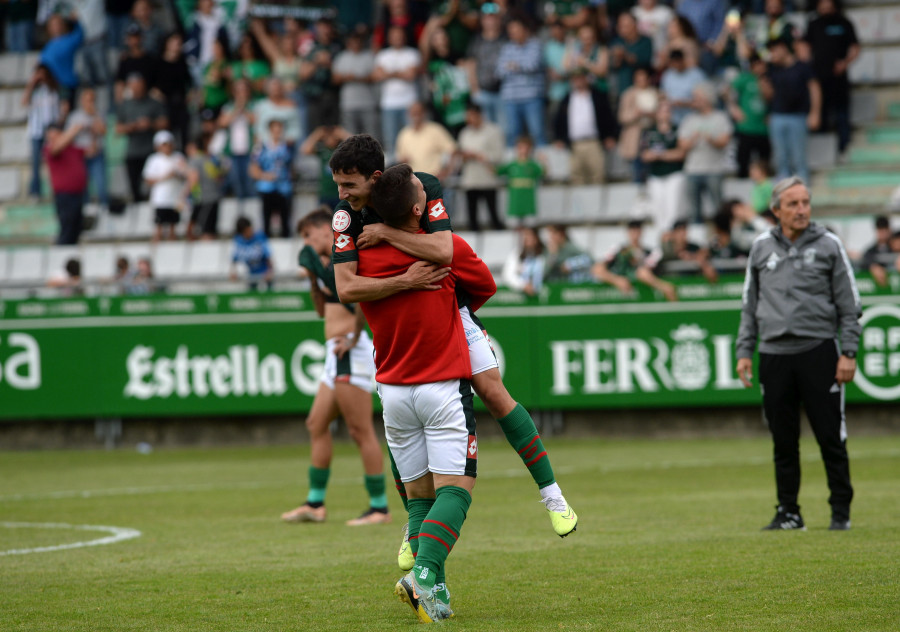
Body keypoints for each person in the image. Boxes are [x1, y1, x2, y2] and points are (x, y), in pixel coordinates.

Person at [328, 134, 578, 567]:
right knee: (399, 414)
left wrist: (386, 233)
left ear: (375, 177)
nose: (341, 195)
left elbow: (444, 251)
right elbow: (345, 287)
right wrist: (405, 279)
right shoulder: (344, 219)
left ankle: (552, 496)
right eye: (337, 185)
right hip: (402, 314)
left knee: (494, 393)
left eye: (349, 186)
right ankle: (414, 525)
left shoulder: (422, 187)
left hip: (449, 309)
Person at [363, 164, 497, 623]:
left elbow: (346, 287)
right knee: (458, 489)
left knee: (419, 495)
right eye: (424, 190)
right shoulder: (443, 253)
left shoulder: (365, 260)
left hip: (393, 393)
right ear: (419, 209)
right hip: (441, 387)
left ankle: (433, 593)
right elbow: (482, 285)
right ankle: (422, 572)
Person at [736, 176, 860, 531]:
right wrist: (745, 350)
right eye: (793, 204)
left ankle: (841, 512)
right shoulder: (760, 247)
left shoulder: (829, 245)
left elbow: (850, 306)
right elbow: (749, 305)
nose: (802, 209)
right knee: (783, 441)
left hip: (819, 351)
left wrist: (848, 351)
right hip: (774, 355)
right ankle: (789, 513)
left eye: (805, 202)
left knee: (831, 438)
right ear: (776, 210)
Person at [281, 208, 391, 527]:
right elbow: (321, 310)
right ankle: (315, 504)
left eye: (307, 235)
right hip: (334, 352)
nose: (305, 242)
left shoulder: (346, 258)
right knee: (316, 423)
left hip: (349, 348)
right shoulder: (325, 267)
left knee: (360, 430)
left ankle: (379, 507)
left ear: (321, 229)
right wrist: (314, 280)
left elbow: (361, 301)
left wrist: (355, 336)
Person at [805, 0, 859, 158]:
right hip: (819, 79)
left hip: (839, 79)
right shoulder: (814, 23)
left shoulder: (844, 23)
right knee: (822, 116)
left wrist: (845, 63)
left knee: (842, 115)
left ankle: (844, 148)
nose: (825, 6)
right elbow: (805, 47)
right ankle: (823, 153)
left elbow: (855, 48)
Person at [763, 38, 820, 184]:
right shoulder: (772, 70)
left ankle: (803, 190)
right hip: (777, 116)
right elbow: (768, 95)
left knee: (798, 156)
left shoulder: (802, 67)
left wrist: (815, 112)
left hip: (798, 116)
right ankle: (783, 190)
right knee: (780, 157)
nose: (773, 54)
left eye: (774, 50)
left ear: (783, 48)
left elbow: (814, 88)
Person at [678, 82, 733, 223]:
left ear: (707, 99)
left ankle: (720, 236)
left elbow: (724, 141)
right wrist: (693, 140)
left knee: (718, 209)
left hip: (714, 169)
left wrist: (711, 140)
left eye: (697, 98)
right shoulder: (689, 120)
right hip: (693, 170)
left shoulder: (720, 118)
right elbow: (682, 145)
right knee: (694, 210)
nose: (694, 101)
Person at [553, 68, 618, 186]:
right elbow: (559, 120)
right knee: (576, 177)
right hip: (574, 144)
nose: (578, 81)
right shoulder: (567, 99)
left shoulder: (598, 96)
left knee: (597, 175)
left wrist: (610, 136)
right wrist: (559, 138)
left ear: (586, 79)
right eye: (575, 79)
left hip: (593, 142)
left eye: (580, 78)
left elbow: (608, 117)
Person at [115, 74, 169, 203]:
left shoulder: (153, 103)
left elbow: (165, 122)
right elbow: (118, 129)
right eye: (134, 86)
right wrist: (132, 126)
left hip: (150, 149)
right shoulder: (125, 105)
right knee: (134, 185)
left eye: (139, 85)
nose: (137, 89)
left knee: (151, 184)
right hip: (133, 151)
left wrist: (150, 124)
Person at [593, 219, 677, 300]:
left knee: (643, 272)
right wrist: (617, 280)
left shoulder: (649, 253)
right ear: (628, 232)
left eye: (637, 229)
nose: (635, 233)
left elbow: (643, 273)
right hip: (617, 292)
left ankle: (664, 288)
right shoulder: (617, 249)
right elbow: (597, 269)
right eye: (632, 229)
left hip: (641, 293)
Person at [496, 15, 546, 147]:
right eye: (510, 31)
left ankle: (542, 165)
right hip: (511, 99)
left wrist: (514, 66)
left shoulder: (535, 45)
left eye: (516, 29)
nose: (513, 33)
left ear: (524, 30)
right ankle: (513, 164)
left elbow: (532, 65)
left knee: (537, 133)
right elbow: (500, 71)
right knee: (512, 134)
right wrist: (519, 66)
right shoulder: (507, 48)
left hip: (532, 98)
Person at [373, 26, 422, 154]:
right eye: (394, 36)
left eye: (400, 36)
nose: (397, 38)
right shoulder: (383, 55)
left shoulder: (412, 53)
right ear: (389, 38)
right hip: (389, 103)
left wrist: (389, 73)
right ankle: (393, 170)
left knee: (412, 138)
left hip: (409, 103)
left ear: (404, 37)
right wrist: (401, 72)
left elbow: (411, 75)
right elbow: (377, 75)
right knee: (391, 140)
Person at [456, 103, 506, 231]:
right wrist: (464, 157)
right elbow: (459, 156)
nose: (469, 119)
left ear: (479, 115)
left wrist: (479, 155)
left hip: (487, 179)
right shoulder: (464, 133)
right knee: (472, 217)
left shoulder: (493, 131)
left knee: (493, 215)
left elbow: (498, 155)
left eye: (472, 116)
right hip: (470, 179)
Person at [641, 100, 686, 230]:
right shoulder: (650, 132)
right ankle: (662, 238)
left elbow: (680, 153)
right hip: (655, 175)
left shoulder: (677, 130)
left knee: (673, 208)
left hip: (674, 174)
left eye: (667, 111)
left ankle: (671, 236)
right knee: (657, 209)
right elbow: (644, 155)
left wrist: (660, 155)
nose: (665, 114)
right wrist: (665, 154)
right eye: (662, 110)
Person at [43, 122, 87, 245]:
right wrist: (74, 130)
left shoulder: (72, 148)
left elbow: (91, 151)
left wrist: (93, 133)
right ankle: (61, 254)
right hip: (65, 195)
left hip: (78, 194)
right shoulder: (49, 149)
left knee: (76, 228)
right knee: (67, 227)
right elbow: (57, 147)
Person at [729, 52, 771, 178]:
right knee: (743, 158)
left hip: (763, 128)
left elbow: (771, 98)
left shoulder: (769, 79)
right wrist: (734, 108)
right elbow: (729, 92)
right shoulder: (745, 78)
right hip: (746, 126)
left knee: (764, 159)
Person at [249, 119, 293, 238]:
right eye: (275, 129)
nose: (277, 132)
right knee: (266, 217)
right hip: (267, 187)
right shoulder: (261, 147)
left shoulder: (287, 147)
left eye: (280, 129)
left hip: (283, 187)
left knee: (285, 217)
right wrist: (265, 176)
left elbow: (291, 167)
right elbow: (253, 168)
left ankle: (286, 238)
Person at [331, 28, 379, 136]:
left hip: (367, 104)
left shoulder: (369, 56)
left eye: (358, 41)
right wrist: (346, 77)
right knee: (350, 137)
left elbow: (375, 77)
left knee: (371, 136)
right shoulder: (342, 57)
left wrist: (357, 78)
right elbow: (335, 79)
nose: (355, 44)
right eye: (352, 42)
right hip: (348, 104)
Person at [23, 64, 61, 199]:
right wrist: (31, 83)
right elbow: (24, 102)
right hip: (35, 131)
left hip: (50, 132)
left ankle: (56, 189)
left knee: (54, 161)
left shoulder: (53, 90)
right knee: (35, 163)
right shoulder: (34, 91)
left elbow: (56, 113)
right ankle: (35, 192)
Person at [143, 130, 188, 242]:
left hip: (175, 197)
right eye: (164, 144)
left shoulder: (178, 157)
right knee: (159, 226)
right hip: (160, 198)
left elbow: (186, 174)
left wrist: (176, 175)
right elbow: (148, 179)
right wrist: (165, 177)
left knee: (173, 226)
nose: (167, 147)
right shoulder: (153, 159)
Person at [67, 88, 108, 209]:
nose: (89, 103)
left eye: (92, 100)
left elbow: (103, 131)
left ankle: (104, 211)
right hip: (81, 156)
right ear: (82, 101)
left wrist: (94, 115)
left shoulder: (99, 114)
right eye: (87, 100)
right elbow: (68, 136)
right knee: (83, 188)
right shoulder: (75, 116)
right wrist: (80, 129)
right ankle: (85, 212)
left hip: (97, 154)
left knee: (101, 186)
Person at [394, 102, 458, 179]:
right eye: (413, 113)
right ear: (409, 114)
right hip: (414, 182)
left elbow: (453, 151)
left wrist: (446, 172)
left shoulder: (435, 130)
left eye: (418, 112)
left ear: (424, 113)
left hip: (433, 179)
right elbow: (400, 159)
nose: (416, 115)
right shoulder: (404, 134)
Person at [618, 66, 659, 183]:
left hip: (652, 132)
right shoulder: (628, 94)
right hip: (635, 135)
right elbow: (622, 117)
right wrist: (635, 114)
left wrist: (650, 114)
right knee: (636, 167)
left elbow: (662, 114)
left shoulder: (656, 93)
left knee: (652, 164)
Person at [218, 79, 255, 201]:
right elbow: (222, 123)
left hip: (249, 151)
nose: (241, 93)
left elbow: (254, 121)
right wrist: (236, 109)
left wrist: (244, 109)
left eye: (244, 90)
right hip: (233, 152)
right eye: (238, 91)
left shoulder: (253, 105)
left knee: (250, 182)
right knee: (236, 182)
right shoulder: (228, 107)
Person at [300, 125, 352, 209]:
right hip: (325, 193)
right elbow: (304, 149)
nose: (329, 138)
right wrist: (317, 134)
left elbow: (357, 146)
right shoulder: (322, 150)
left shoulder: (342, 151)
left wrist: (342, 133)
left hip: (339, 194)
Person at [496, 135, 543, 225]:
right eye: (521, 147)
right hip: (514, 206)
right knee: (514, 230)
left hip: (529, 206)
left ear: (530, 149)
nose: (523, 150)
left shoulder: (533, 165)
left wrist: (544, 161)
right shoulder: (512, 164)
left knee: (530, 229)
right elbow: (496, 171)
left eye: (526, 148)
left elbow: (544, 172)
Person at [185, 132, 224, 240]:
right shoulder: (210, 159)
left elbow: (193, 179)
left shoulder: (195, 160)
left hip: (204, 199)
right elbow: (218, 178)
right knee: (211, 230)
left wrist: (184, 196)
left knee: (204, 231)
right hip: (214, 197)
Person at [230, 216, 274, 291]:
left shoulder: (260, 237)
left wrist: (270, 271)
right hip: (251, 274)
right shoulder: (239, 241)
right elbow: (235, 258)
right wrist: (233, 271)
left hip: (265, 273)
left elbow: (268, 256)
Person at [501, 226, 546, 296]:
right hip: (521, 296)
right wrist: (523, 285)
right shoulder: (517, 253)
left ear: (536, 238)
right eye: (525, 235)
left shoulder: (544, 253)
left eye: (530, 235)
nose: (527, 238)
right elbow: (508, 274)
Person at [860, 215, 899, 288]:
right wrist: (873, 267)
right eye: (880, 230)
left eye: (884, 229)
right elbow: (864, 260)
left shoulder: (895, 247)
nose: (883, 233)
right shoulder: (870, 251)